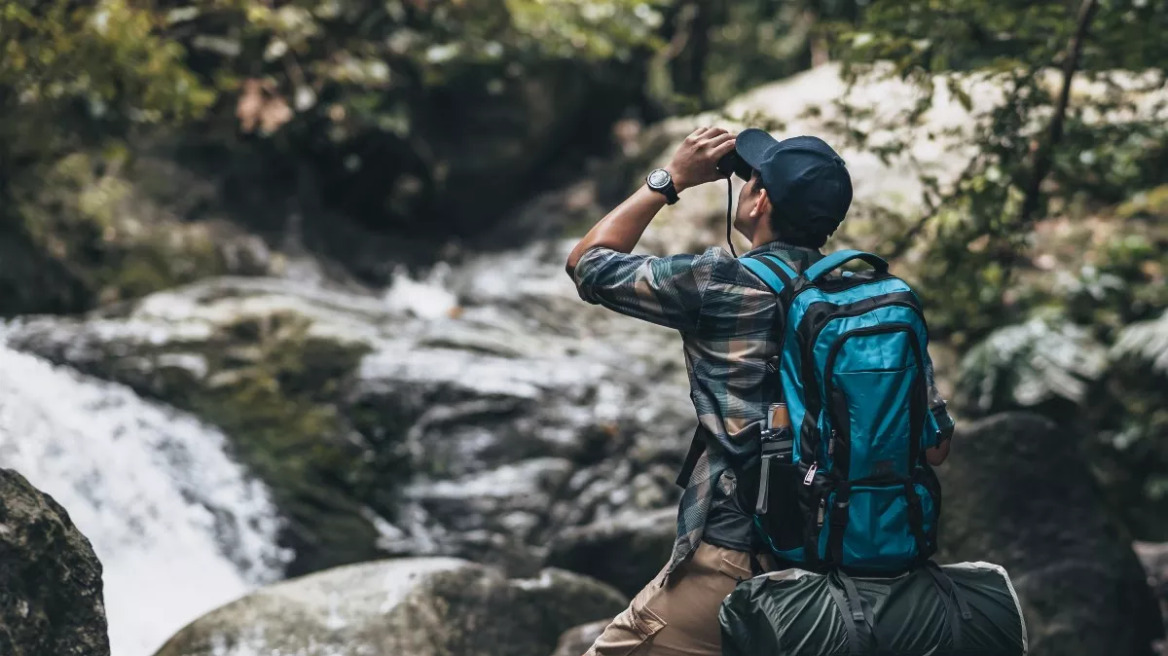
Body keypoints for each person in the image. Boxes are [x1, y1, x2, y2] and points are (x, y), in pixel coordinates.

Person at [564, 126, 954, 656]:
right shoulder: (876, 305)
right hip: (851, 567)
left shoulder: (721, 283)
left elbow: (588, 263)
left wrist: (669, 179)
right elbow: (934, 445)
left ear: (760, 199)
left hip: (736, 562)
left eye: (752, 178)